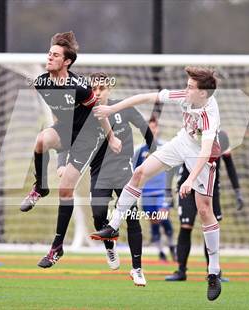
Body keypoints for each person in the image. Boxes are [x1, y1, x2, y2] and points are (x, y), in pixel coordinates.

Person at [90, 67, 223, 301]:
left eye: (191, 87)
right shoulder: (185, 96)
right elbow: (145, 97)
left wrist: (190, 180)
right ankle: (114, 225)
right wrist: (111, 108)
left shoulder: (209, 115)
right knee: (140, 172)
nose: (186, 89)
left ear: (203, 93)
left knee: (204, 210)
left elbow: (204, 152)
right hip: (183, 141)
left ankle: (213, 272)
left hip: (204, 156)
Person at [20, 32, 122, 269]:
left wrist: (112, 137)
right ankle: (40, 187)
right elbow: (57, 111)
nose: (50, 57)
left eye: (55, 55)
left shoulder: (81, 88)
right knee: (40, 141)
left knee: (65, 191)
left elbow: (98, 113)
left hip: (86, 138)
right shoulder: (42, 83)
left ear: (66, 61)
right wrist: (59, 149)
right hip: (65, 130)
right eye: (49, 53)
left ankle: (56, 248)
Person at [57, 72, 154, 286]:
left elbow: (145, 129)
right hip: (99, 173)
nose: (98, 92)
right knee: (99, 214)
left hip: (124, 172)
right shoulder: (83, 114)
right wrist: (62, 164)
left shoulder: (124, 108)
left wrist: (153, 153)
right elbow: (66, 138)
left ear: (109, 90)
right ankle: (110, 247)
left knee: (131, 217)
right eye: (95, 89)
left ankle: (137, 269)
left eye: (102, 89)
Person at [165, 130, 244, 282]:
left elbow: (229, 164)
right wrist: (168, 191)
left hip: (210, 187)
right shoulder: (189, 133)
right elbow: (172, 163)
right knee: (186, 226)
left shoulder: (222, 137)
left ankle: (213, 272)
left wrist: (237, 191)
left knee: (210, 228)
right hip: (187, 186)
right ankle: (181, 271)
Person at [133, 116, 176, 262]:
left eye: (154, 127)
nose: (152, 130)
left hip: (162, 192)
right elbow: (134, 173)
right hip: (146, 194)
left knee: (164, 218)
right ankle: (161, 253)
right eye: (149, 128)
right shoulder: (139, 151)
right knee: (154, 222)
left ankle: (172, 247)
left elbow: (174, 168)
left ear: (158, 129)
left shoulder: (166, 147)